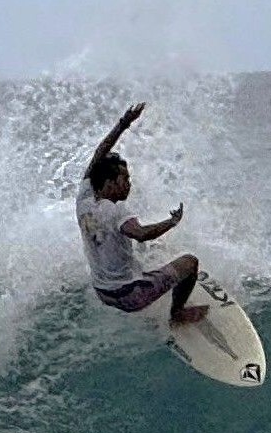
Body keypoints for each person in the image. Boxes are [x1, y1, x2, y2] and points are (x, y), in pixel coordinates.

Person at [76, 102, 207, 326]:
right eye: (125, 179)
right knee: (190, 263)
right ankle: (177, 314)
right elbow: (141, 234)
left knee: (151, 250)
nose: (129, 184)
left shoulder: (83, 198)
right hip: (130, 296)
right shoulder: (116, 211)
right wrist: (172, 221)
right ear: (109, 182)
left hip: (103, 292)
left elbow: (99, 154)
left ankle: (151, 279)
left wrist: (123, 124)